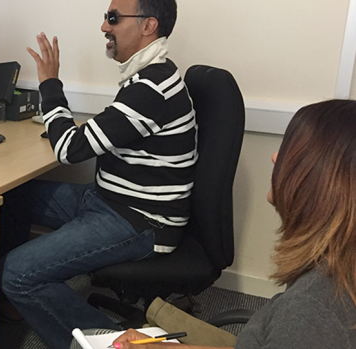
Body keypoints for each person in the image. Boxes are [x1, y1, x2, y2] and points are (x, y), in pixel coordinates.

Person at [0, 0, 197, 349]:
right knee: (14, 196)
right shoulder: (147, 77)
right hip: (108, 200)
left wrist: (49, 83)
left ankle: (116, 344)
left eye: (114, 18)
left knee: (18, 272)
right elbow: (102, 135)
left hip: (140, 221)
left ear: (148, 26)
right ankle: (13, 306)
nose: (104, 26)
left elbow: (70, 150)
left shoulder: (152, 89)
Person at [112, 99, 356, 349]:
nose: (275, 157)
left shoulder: (310, 313)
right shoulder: (337, 269)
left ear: (324, 181)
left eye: (290, 151)